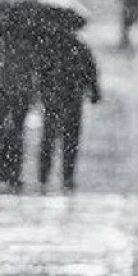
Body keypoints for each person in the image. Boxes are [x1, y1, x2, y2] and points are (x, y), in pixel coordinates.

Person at [34, 28, 100, 190]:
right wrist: (94, 91)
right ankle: (67, 176)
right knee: (70, 138)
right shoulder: (80, 47)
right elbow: (90, 72)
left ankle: (44, 175)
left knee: (49, 137)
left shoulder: (49, 46)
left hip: (53, 98)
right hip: (72, 98)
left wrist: (42, 91)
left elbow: (40, 72)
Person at [0, 1, 38, 189]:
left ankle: (3, 169)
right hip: (16, 92)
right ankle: (12, 171)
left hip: (2, 92)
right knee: (15, 132)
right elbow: (32, 69)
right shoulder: (27, 41)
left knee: (0, 131)